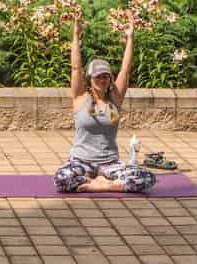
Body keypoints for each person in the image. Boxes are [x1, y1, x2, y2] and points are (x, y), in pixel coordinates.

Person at [52, 19, 157, 194]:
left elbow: (126, 69)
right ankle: (105, 183)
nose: (101, 80)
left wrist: (130, 37)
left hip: (110, 164)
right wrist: (76, 34)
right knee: (61, 178)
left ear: (110, 79)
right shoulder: (80, 97)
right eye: (97, 77)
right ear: (90, 79)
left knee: (146, 178)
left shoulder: (115, 99)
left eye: (105, 77)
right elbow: (76, 68)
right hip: (81, 162)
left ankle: (100, 185)